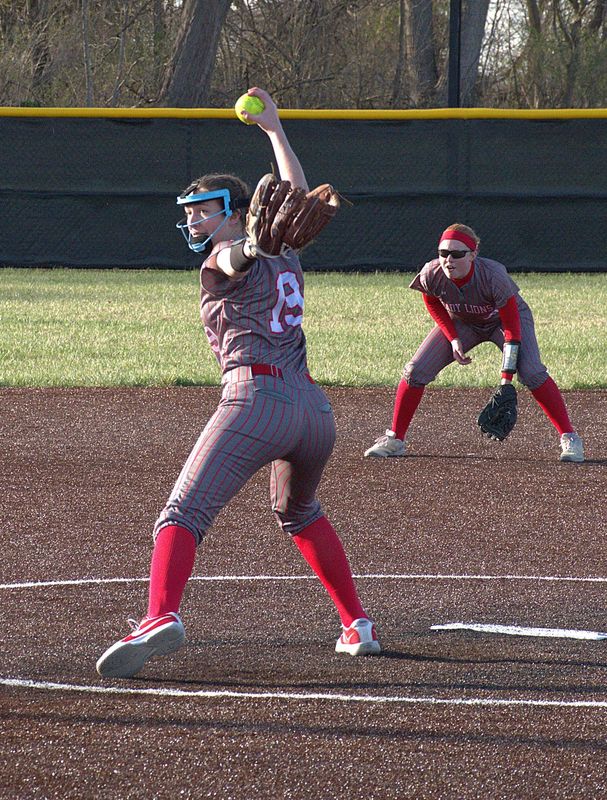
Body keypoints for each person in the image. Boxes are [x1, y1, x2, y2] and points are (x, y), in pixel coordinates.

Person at [96, 88, 380, 679]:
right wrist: (275, 130)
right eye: (190, 210)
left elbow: (235, 259)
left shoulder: (228, 252)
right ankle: (357, 624)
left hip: (256, 399)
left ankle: (160, 616)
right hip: (313, 411)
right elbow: (294, 198)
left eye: (204, 207)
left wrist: (247, 242)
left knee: (180, 514)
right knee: (299, 512)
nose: (193, 218)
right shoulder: (289, 257)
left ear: (237, 210)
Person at [364, 223, 584, 463]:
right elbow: (432, 302)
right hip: (464, 322)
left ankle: (569, 437)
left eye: (457, 253)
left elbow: (511, 328)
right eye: (443, 253)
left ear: (473, 254)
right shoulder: (432, 273)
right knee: (415, 371)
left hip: (504, 321)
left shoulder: (493, 275)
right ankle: (395, 438)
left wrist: (506, 380)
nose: (449, 259)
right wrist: (453, 337)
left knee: (532, 372)